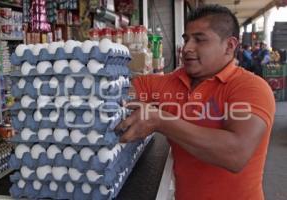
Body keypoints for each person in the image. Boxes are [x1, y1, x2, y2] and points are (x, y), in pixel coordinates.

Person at [115, 4, 275, 200]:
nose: (187, 48)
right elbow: (121, 93)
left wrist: (160, 120)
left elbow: (236, 154)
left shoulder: (251, 88)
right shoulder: (168, 83)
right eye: (186, 39)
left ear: (230, 46)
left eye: (200, 40)